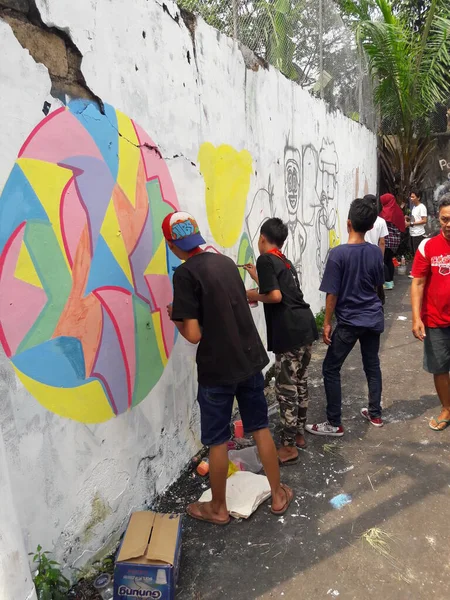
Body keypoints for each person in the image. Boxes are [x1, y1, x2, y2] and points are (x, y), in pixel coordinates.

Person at [162, 211, 293, 524]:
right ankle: (277, 495)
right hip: (248, 358)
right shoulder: (223, 261)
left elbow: (194, 334)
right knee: (259, 426)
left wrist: (175, 316)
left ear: (171, 245)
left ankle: (218, 508)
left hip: (216, 367)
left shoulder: (184, 275)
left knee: (218, 440)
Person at [305, 198, 385, 437]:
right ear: (371, 227)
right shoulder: (374, 253)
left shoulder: (338, 254)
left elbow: (332, 294)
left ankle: (334, 422)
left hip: (350, 321)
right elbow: (378, 286)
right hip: (372, 318)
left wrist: (327, 322)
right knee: (372, 366)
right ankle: (375, 413)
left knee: (330, 368)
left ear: (348, 223)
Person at [244, 218, 318, 465]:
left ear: (262, 238)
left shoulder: (265, 258)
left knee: (286, 388)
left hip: (289, 331)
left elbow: (274, 296)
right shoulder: (283, 260)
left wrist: (247, 294)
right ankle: (297, 433)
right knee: (299, 382)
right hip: (305, 326)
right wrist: (257, 279)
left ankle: (287, 447)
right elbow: (279, 290)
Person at [411, 195, 450, 431]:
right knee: (440, 367)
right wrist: (416, 318)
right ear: (438, 219)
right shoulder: (428, 246)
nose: (449, 224)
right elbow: (418, 283)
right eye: (445, 219)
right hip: (435, 320)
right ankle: (447, 408)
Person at [379, 193, 406, 289]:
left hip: (387, 240)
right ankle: (390, 281)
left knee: (384, 261)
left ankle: (387, 281)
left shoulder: (385, 212)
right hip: (396, 241)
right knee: (389, 260)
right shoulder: (398, 210)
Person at [406, 190, 428, 276]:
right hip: (413, 233)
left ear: (418, 197)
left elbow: (424, 220)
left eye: (413, 197)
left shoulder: (422, 207)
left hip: (418, 234)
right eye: (410, 197)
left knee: (418, 254)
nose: (411, 199)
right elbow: (415, 219)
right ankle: (416, 271)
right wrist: (408, 218)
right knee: (414, 254)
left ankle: (417, 273)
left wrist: (411, 223)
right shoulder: (414, 207)